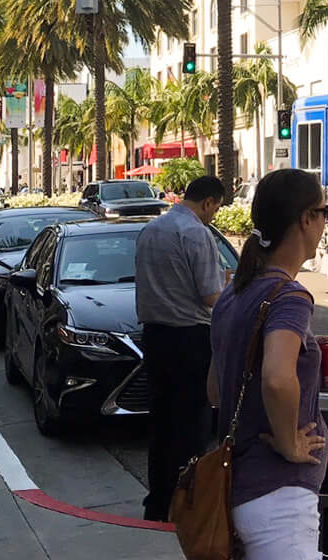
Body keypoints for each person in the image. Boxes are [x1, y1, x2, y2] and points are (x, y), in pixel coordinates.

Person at [207, 170, 328, 560]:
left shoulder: (235, 293)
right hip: (280, 499)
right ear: (306, 219)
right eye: (324, 212)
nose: (326, 222)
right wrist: (289, 441)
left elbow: (214, 388)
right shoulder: (289, 296)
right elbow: (277, 379)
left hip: (240, 490)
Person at [135, 174, 227, 521]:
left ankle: (158, 502)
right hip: (190, 339)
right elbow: (209, 295)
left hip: (155, 337)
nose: (214, 215)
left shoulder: (151, 230)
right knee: (192, 428)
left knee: (161, 424)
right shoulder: (196, 234)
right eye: (216, 208)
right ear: (208, 202)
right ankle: (186, 505)